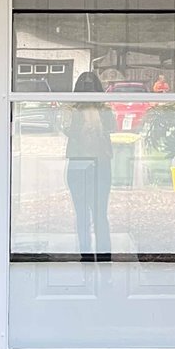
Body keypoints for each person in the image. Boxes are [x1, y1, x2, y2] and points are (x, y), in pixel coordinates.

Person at [65, 72, 114, 260]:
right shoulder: (72, 110)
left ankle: (104, 257)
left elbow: (112, 127)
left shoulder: (105, 110)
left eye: (91, 87)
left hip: (101, 164)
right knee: (82, 215)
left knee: (100, 214)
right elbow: (68, 130)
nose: (88, 90)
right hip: (78, 164)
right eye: (84, 87)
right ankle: (85, 256)